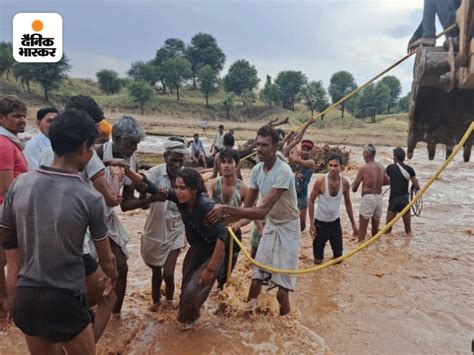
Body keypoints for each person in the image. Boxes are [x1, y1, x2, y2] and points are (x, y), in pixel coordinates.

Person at [0, 109, 118, 355]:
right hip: (64, 298)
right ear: (85, 147)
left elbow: (5, 240)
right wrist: (112, 277)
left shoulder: (20, 185)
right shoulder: (89, 197)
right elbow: (106, 259)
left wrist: (6, 292)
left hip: (26, 296)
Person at [206, 125, 301, 316]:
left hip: (289, 227)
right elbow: (246, 209)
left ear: (276, 147)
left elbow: (261, 211)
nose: (259, 149)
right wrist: (223, 221)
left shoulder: (284, 171)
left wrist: (225, 208)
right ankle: (247, 321)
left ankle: (287, 330)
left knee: (282, 293)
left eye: (264, 145)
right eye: (257, 144)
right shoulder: (257, 170)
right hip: (272, 225)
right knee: (256, 278)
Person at [154, 168, 227, 329]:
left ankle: (186, 326)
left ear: (194, 189)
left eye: (182, 188)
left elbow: (223, 237)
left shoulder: (206, 205)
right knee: (186, 288)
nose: (178, 192)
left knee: (192, 290)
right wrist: (127, 170)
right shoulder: (181, 200)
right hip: (196, 249)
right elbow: (150, 187)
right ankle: (187, 319)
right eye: (176, 187)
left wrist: (210, 268)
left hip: (213, 251)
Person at [95, 115, 146, 316]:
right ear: (115, 138)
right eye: (129, 143)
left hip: (106, 218)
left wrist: (148, 199)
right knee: (89, 270)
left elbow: (125, 203)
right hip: (84, 218)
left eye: (136, 144)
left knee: (121, 267)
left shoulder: (132, 161)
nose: (133, 149)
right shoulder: (96, 153)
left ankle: (115, 315)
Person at [138, 140, 187, 309]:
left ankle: (169, 302)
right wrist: (149, 195)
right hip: (156, 228)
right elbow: (142, 195)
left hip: (176, 228)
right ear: (165, 157)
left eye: (181, 160)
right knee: (156, 272)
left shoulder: (186, 176)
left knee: (169, 273)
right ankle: (156, 303)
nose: (177, 164)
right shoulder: (154, 174)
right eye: (173, 159)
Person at [0, 96, 28, 330]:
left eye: (23, 116)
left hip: (11, 211)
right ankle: (14, 313)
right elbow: (7, 188)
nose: (22, 120)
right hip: (10, 213)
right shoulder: (4, 145)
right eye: (16, 116)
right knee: (14, 263)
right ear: (2, 118)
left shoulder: (11, 142)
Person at [206, 148, 250, 289]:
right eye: (223, 162)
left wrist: (237, 225)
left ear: (237, 166)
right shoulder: (212, 184)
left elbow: (249, 214)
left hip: (233, 235)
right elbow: (206, 205)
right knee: (209, 272)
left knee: (224, 277)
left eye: (230, 162)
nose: (225, 165)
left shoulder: (244, 189)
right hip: (213, 234)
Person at [308, 154, 358, 264]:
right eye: (330, 165)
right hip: (320, 224)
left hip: (335, 224)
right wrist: (311, 224)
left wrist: (353, 224)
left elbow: (348, 202)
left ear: (341, 167)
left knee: (338, 259)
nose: (333, 169)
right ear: (327, 166)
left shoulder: (344, 183)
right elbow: (310, 201)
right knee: (317, 261)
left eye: (336, 166)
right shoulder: (320, 181)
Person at [352, 144, 389, 242]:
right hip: (379, 197)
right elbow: (387, 181)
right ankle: (374, 251)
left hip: (368, 197)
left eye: (363, 153)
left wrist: (353, 186)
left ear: (366, 154)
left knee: (362, 233)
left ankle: (360, 251)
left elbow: (354, 188)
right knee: (375, 232)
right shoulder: (381, 167)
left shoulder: (364, 168)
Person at [385, 147, 421, 236]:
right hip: (405, 201)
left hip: (394, 200)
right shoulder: (410, 169)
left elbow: (385, 181)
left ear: (395, 157)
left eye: (393, 156)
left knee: (387, 231)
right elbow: (417, 186)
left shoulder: (390, 168)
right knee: (408, 231)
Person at [289, 139, 315, 231]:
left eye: (307, 150)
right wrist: (291, 141)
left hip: (302, 196)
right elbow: (289, 155)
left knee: (302, 225)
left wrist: (295, 144)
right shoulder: (299, 161)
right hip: (292, 195)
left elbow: (295, 159)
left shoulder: (311, 163)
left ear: (311, 152)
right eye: (303, 149)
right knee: (290, 221)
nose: (305, 152)